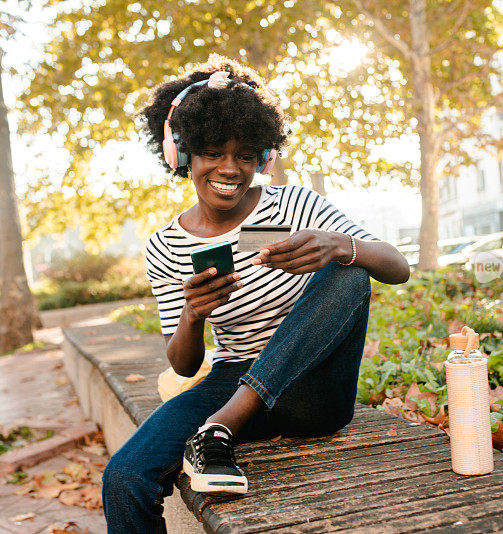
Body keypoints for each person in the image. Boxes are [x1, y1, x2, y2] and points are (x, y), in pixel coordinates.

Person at [101, 54, 410, 533]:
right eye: (213, 153)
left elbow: (398, 267)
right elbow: (183, 364)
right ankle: (222, 424)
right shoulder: (165, 245)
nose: (230, 168)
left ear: (262, 156)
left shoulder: (296, 203)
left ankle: (221, 428)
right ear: (182, 156)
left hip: (314, 388)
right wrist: (192, 315)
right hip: (230, 380)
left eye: (245, 155)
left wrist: (338, 245)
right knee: (123, 477)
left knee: (349, 272)